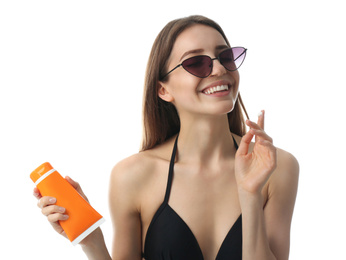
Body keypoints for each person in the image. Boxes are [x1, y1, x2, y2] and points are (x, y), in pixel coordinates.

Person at [33, 15, 299, 260]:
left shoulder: (276, 167)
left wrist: (250, 194)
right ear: (163, 90)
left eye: (225, 57)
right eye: (196, 62)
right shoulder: (133, 175)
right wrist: (91, 240)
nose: (219, 70)